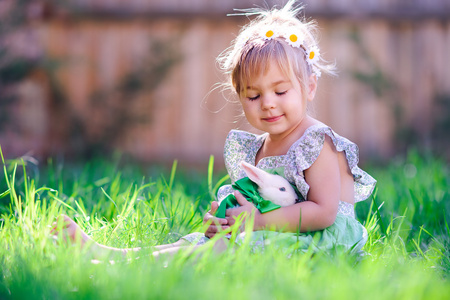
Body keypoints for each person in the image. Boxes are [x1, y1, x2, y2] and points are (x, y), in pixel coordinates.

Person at [52, 0, 376, 258]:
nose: (268, 103)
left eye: (280, 91)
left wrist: (258, 223)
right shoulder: (260, 147)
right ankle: (113, 256)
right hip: (278, 233)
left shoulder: (317, 143)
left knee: (222, 252)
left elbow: (323, 213)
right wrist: (226, 219)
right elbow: (260, 202)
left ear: (310, 86)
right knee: (198, 243)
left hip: (323, 246)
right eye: (253, 95)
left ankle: (116, 265)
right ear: (240, 96)